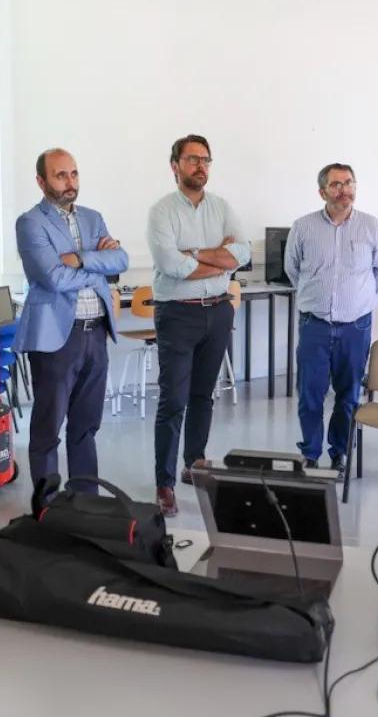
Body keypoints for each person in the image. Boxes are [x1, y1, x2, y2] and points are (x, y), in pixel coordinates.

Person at [146, 134, 250, 516]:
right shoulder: (161, 212)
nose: (200, 166)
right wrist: (219, 261)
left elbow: (243, 254)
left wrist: (193, 254)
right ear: (175, 166)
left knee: (203, 395)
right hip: (178, 314)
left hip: (218, 311)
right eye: (192, 159)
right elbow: (171, 266)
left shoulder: (222, 207)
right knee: (173, 400)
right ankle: (164, 483)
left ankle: (194, 462)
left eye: (205, 159)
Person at [13, 148, 128, 493]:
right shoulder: (30, 223)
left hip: (96, 332)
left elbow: (121, 260)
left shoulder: (93, 218)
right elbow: (53, 278)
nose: (70, 182)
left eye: (74, 173)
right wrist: (98, 265)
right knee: (48, 429)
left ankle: (84, 502)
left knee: (86, 426)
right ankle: (46, 507)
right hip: (56, 339)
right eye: (60, 175)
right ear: (41, 181)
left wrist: (78, 259)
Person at [284, 163, 378, 481]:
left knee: (349, 394)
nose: (344, 190)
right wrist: (315, 297)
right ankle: (310, 453)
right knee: (310, 393)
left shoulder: (372, 227)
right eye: (336, 184)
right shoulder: (303, 227)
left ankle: (340, 452)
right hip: (314, 323)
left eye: (349, 182)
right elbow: (292, 269)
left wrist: (359, 298)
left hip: (355, 325)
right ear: (322, 192)